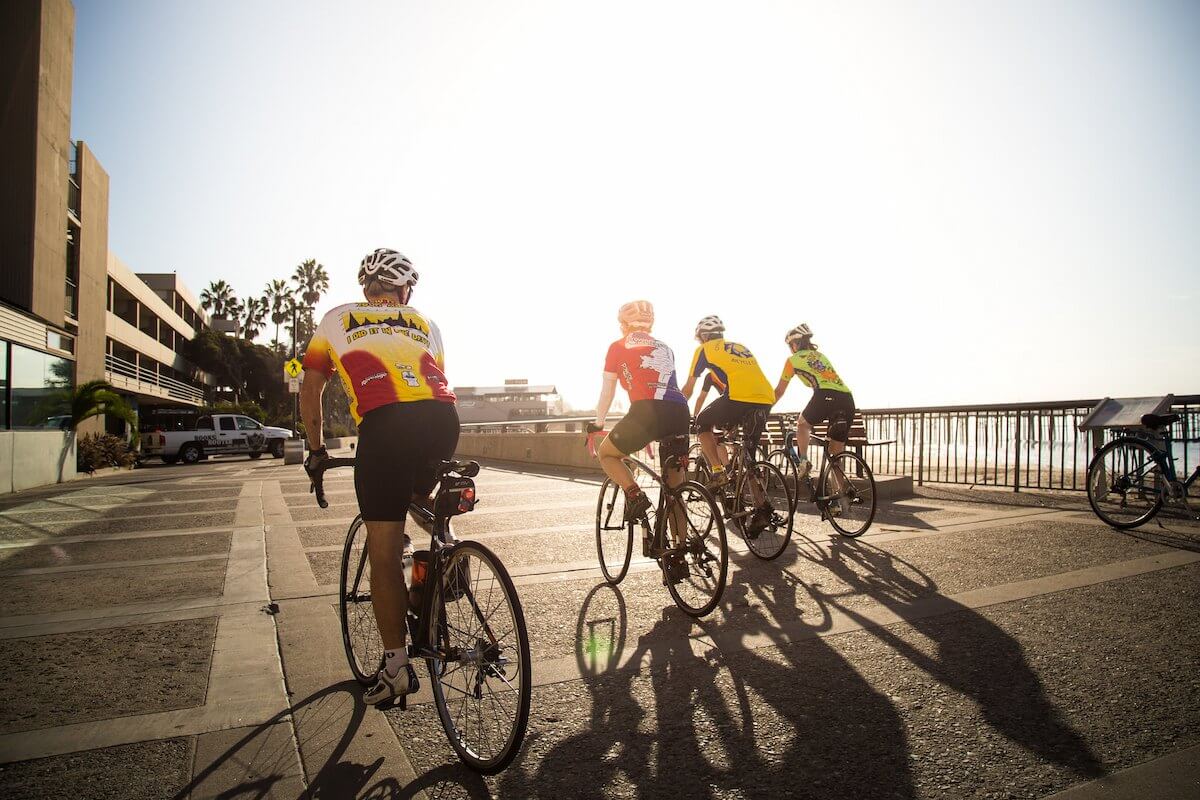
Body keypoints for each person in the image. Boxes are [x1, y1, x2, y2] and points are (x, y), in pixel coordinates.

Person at [300, 248, 458, 706]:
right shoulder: (425, 322)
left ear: (366, 288)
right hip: (443, 422)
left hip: (385, 427)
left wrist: (316, 451)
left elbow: (312, 388)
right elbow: (436, 383)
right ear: (404, 289)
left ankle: (395, 668)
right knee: (419, 499)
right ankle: (440, 560)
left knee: (383, 550)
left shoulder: (336, 318)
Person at [586, 301, 690, 537]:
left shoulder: (617, 346)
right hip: (679, 411)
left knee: (607, 454)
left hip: (646, 412)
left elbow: (607, 392)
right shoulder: (665, 347)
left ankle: (635, 495)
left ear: (623, 325)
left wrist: (599, 423)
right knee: (674, 490)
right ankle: (681, 547)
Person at [680, 315, 775, 531]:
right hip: (765, 399)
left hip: (738, 397)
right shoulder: (739, 346)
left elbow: (689, 388)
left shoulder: (704, 350)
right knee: (748, 456)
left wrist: (676, 410)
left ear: (703, 336)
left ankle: (718, 471)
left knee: (702, 423)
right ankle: (762, 508)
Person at [774, 323, 855, 479]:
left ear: (795, 344)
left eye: (790, 345)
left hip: (825, 395)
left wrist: (766, 408)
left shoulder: (792, 360)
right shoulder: (820, 355)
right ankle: (841, 493)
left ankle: (804, 461)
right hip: (847, 399)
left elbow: (779, 391)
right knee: (835, 456)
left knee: (802, 425)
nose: (790, 349)